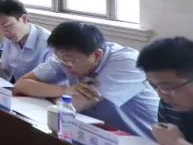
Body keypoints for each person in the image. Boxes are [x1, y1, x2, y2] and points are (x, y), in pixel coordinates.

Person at [14, 22, 159, 138]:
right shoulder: (65, 57)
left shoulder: (127, 62)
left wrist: (52, 95)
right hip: (101, 136)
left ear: (97, 55)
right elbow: (21, 84)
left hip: (145, 143)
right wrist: (66, 90)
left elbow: (73, 105)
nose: (66, 65)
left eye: (71, 60)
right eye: (60, 58)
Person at [136, 37, 193, 145]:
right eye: (154, 86)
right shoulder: (169, 105)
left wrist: (176, 144)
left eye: (169, 87)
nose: (161, 95)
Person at [0, 0, 52, 82]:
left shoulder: (48, 43)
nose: (3, 32)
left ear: (24, 18)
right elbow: (5, 76)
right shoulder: (10, 38)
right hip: (18, 88)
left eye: (7, 25)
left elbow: (53, 82)